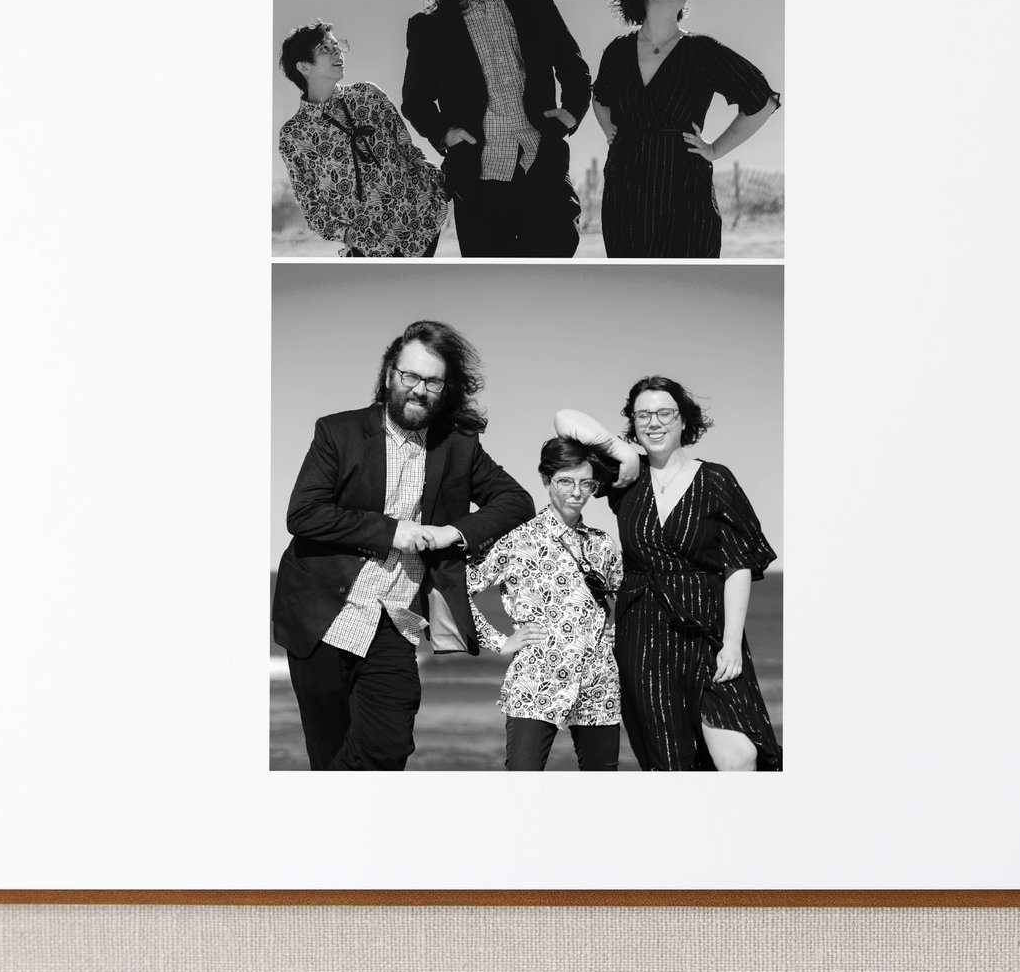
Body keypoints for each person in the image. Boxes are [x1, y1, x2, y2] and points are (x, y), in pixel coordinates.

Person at [271, 321, 532, 771]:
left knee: (389, 747)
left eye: (432, 381)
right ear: (390, 373)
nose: (419, 389)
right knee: (329, 750)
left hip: (396, 621)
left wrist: (455, 531)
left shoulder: (459, 446)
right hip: (324, 615)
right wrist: (393, 531)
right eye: (410, 376)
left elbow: (517, 501)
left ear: (445, 388)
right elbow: (304, 514)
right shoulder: (339, 432)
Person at [578, 374, 781, 771]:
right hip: (643, 635)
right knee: (669, 760)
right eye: (643, 416)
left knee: (738, 756)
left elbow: (738, 564)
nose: (654, 423)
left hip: (706, 632)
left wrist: (732, 643)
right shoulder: (624, 479)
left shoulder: (716, 479)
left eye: (665, 413)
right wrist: (623, 451)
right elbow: (564, 419)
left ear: (684, 420)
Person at [400, 0, 593, 258]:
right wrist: (445, 134)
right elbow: (416, 100)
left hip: (543, 163)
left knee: (557, 262)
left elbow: (573, 66)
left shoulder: (534, 0)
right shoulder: (430, 28)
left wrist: (571, 114)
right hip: (479, 180)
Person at [589, 0, 782, 258]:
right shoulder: (617, 51)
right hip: (625, 189)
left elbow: (762, 101)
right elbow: (600, 98)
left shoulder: (701, 51)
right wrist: (612, 133)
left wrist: (715, 149)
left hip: (683, 188)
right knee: (632, 287)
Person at [467, 428, 628, 772]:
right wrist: (500, 642)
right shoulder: (516, 539)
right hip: (536, 682)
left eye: (587, 484)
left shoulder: (602, 543)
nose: (577, 492)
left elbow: (626, 599)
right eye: (566, 482)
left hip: (599, 684)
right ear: (546, 479)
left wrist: (619, 632)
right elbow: (459, 591)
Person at [276, 23, 448, 257]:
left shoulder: (368, 95)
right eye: (325, 48)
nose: (337, 52)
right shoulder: (295, 135)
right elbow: (312, 207)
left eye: (337, 45)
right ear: (304, 67)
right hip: (372, 246)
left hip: (422, 219)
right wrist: (349, 235)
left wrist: (432, 185)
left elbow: (408, 149)